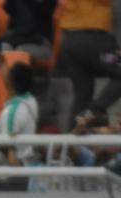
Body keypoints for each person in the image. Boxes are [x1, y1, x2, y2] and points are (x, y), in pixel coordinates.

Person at [58, 0, 121, 129]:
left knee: (83, 93)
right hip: (95, 42)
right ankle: (94, 111)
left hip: (70, 43)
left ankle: (72, 141)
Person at [0, 63, 38, 166]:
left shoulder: (10, 113)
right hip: (27, 164)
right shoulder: (31, 100)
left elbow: (10, 151)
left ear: (9, 82)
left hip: (8, 175)